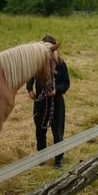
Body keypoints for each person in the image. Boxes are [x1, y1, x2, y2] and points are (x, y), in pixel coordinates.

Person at [26, 35, 70, 169]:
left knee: (57, 131)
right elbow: (31, 78)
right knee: (40, 130)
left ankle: (58, 160)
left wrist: (56, 90)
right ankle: (42, 157)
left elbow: (66, 83)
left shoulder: (61, 64)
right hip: (40, 102)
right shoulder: (37, 64)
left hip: (56, 103)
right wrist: (30, 89)